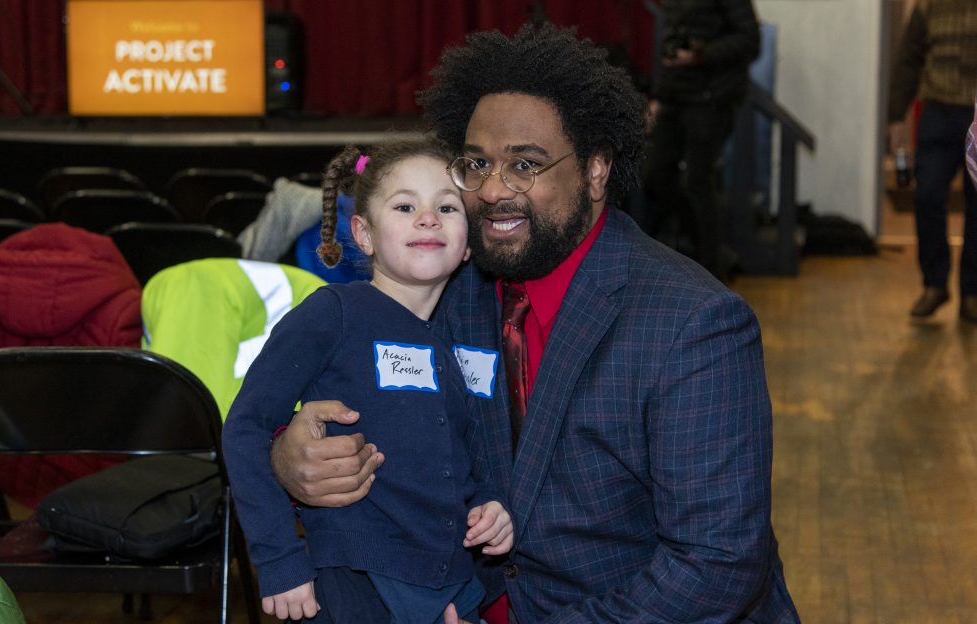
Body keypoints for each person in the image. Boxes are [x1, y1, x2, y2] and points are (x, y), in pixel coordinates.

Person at [269, 24, 799, 623]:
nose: (494, 190)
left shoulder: (694, 324)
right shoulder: (446, 287)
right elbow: (348, 398)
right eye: (477, 163)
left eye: (525, 164)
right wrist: (290, 455)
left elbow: (716, 565)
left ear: (596, 171)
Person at [223, 139, 512, 624]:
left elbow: (451, 460)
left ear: (468, 244)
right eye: (405, 207)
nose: (428, 218)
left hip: (450, 587)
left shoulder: (455, 340)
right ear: (364, 234)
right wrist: (278, 559)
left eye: (447, 207)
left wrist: (487, 507)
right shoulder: (332, 313)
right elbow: (245, 428)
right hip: (352, 583)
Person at [642, 0, 760, 281]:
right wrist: (658, 96)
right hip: (676, 95)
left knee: (697, 181)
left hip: (712, 97)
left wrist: (702, 54)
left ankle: (712, 270)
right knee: (656, 174)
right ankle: (710, 249)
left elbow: (749, 41)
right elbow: (670, 46)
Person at [888, 0, 977, 323]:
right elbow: (908, 60)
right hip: (937, 111)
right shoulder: (928, 5)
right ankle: (935, 283)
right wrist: (896, 116)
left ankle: (972, 293)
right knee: (927, 196)